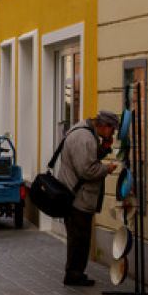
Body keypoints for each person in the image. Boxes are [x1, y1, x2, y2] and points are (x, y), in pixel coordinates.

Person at [55, 111, 120, 286]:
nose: (112, 134)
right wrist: (107, 169)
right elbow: (87, 170)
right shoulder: (85, 138)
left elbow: (88, 158)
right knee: (79, 238)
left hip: (78, 196)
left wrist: (105, 148)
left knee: (80, 238)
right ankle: (74, 275)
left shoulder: (86, 132)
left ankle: (76, 273)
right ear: (104, 126)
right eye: (112, 130)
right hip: (78, 198)